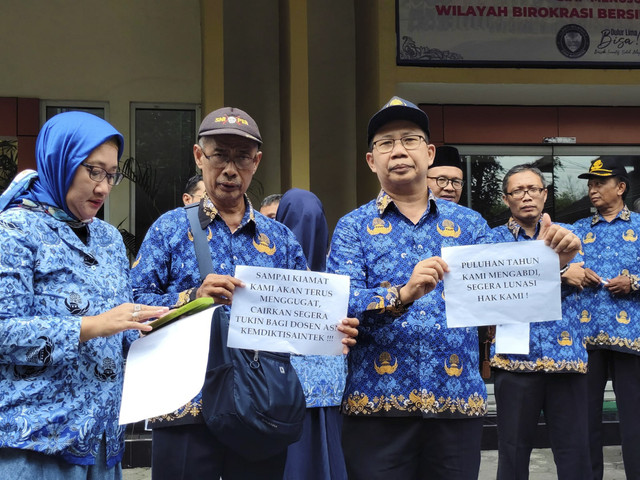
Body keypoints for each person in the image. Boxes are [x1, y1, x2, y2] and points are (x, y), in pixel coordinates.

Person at [326, 96, 580, 480]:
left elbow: (510, 296)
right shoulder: (352, 227)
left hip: (456, 400)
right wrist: (402, 294)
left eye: (409, 140)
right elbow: (341, 302)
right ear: (371, 160)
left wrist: (552, 263)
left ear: (428, 154)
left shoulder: (471, 224)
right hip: (375, 405)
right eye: (385, 143)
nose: (398, 151)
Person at [130, 107, 358, 480]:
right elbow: (134, 304)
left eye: (241, 157)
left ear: (257, 162)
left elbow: (304, 312)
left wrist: (333, 333)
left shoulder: (280, 239)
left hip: (260, 407)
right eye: (220, 154)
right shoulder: (169, 230)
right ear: (199, 156)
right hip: (185, 404)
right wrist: (192, 297)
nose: (230, 169)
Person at [0, 111, 168, 479]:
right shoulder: (15, 231)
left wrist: (154, 327)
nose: (104, 188)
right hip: (37, 442)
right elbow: (4, 332)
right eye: (94, 171)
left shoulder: (108, 239)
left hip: (101, 440)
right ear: (61, 160)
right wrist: (91, 326)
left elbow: (118, 325)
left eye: (111, 175)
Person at [490, 164, 589, 479]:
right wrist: (557, 272)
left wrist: (554, 274)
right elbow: (497, 289)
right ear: (507, 199)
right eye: (517, 191)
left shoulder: (568, 236)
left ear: (544, 194)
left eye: (533, 189)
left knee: (575, 450)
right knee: (512, 451)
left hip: (566, 359)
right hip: (515, 359)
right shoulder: (492, 242)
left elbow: (581, 277)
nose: (526, 196)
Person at [573, 158, 640, 480]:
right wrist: (575, 272)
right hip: (586, 339)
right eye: (590, 183)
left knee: (635, 421)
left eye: (600, 182)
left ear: (621, 187)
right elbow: (556, 269)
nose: (592, 189)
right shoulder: (576, 231)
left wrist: (634, 282)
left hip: (632, 339)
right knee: (585, 421)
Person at [276, 188, 348, 480]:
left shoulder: (339, 271)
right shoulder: (338, 270)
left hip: (290, 393)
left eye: (312, 223)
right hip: (302, 393)